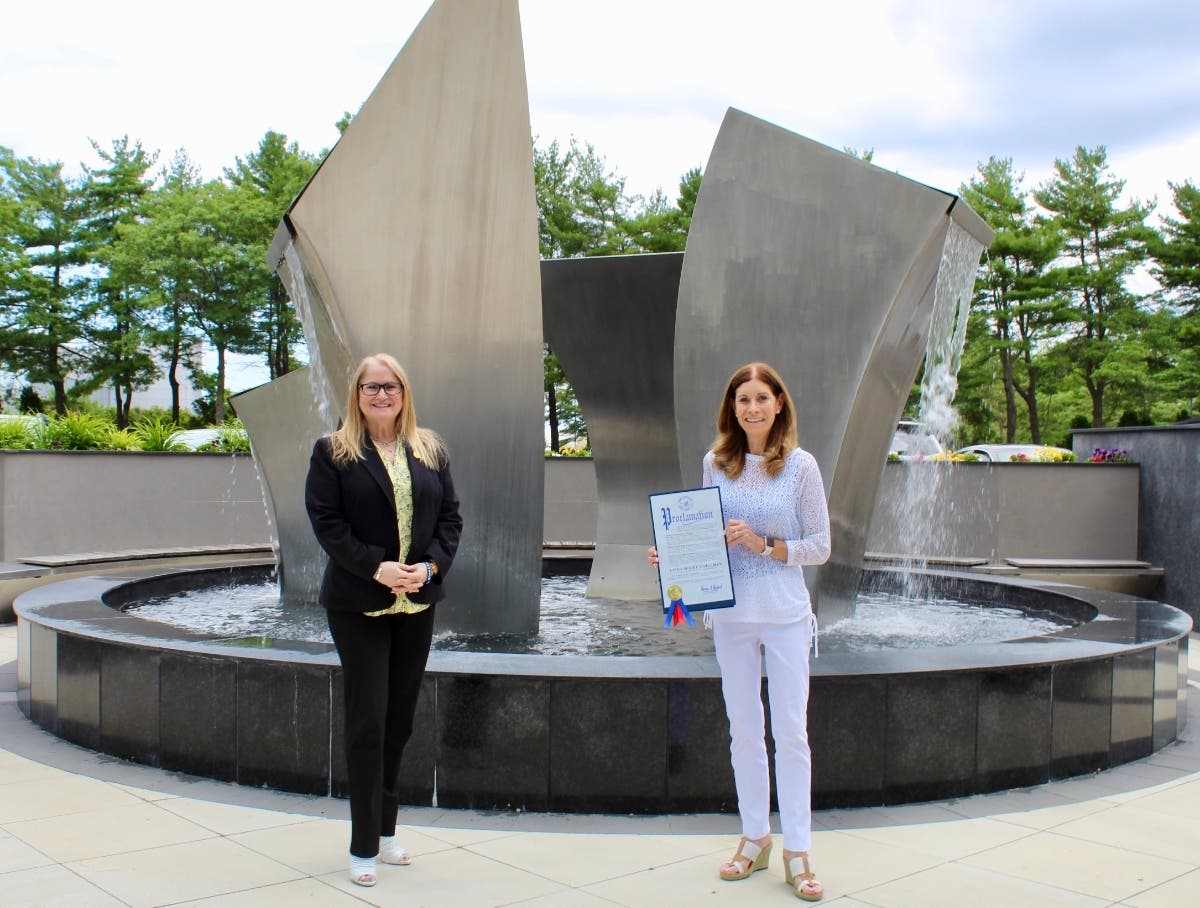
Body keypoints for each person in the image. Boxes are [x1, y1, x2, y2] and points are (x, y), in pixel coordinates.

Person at [650, 361, 830, 901]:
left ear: (779, 404)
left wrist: (765, 545)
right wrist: (673, 559)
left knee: (791, 733)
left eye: (760, 398)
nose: (751, 408)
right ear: (732, 408)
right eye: (741, 400)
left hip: (784, 615)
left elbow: (820, 546)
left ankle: (798, 849)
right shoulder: (717, 463)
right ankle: (755, 838)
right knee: (744, 731)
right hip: (729, 616)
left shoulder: (801, 467)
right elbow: (703, 533)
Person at [305, 353, 462, 888]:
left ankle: (388, 832)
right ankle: (362, 845)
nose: (380, 395)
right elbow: (326, 523)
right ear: (357, 394)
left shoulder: (430, 449)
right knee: (368, 720)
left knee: (399, 721)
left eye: (390, 386)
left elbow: (450, 518)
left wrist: (430, 566)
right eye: (371, 387)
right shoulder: (334, 452)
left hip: (416, 603)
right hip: (359, 604)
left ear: (404, 392)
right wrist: (377, 567)